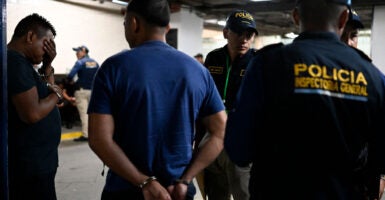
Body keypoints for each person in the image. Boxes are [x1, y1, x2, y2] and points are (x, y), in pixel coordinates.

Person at [224, 0, 385, 199]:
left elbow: (239, 149)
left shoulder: (267, 65)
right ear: (344, 18)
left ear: (296, 17)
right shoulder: (372, 78)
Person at [87, 0, 227, 200]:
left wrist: (144, 182)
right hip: (178, 192)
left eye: (124, 23)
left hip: (126, 190)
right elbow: (220, 131)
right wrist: (186, 179)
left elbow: (99, 139)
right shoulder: (197, 71)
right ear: (167, 28)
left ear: (134, 23)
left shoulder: (113, 68)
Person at [197, 9, 258, 200]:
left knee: (243, 191)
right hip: (212, 133)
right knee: (216, 190)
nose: (244, 39)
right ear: (226, 33)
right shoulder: (214, 58)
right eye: (239, 33)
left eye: (249, 35)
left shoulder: (257, 61)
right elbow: (204, 97)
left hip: (240, 137)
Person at [7, 13, 63, 200]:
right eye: (46, 44)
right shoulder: (14, 62)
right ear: (30, 37)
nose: (48, 51)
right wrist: (57, 95)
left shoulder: (24, 64)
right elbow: (32, 113)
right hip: (29, 167)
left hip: (39, 163)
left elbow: (47, 90)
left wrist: (47, 65)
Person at [67, 45, 99, 142]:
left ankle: (86, 135)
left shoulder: (80, 62)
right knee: (93, 113)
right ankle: (95, 134)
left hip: (81, 91)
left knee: (84, 114)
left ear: (84, 52)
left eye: (78, 51)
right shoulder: (96, 63)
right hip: (93, 91)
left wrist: (71, 81)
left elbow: (71, 75)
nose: (76, 53)